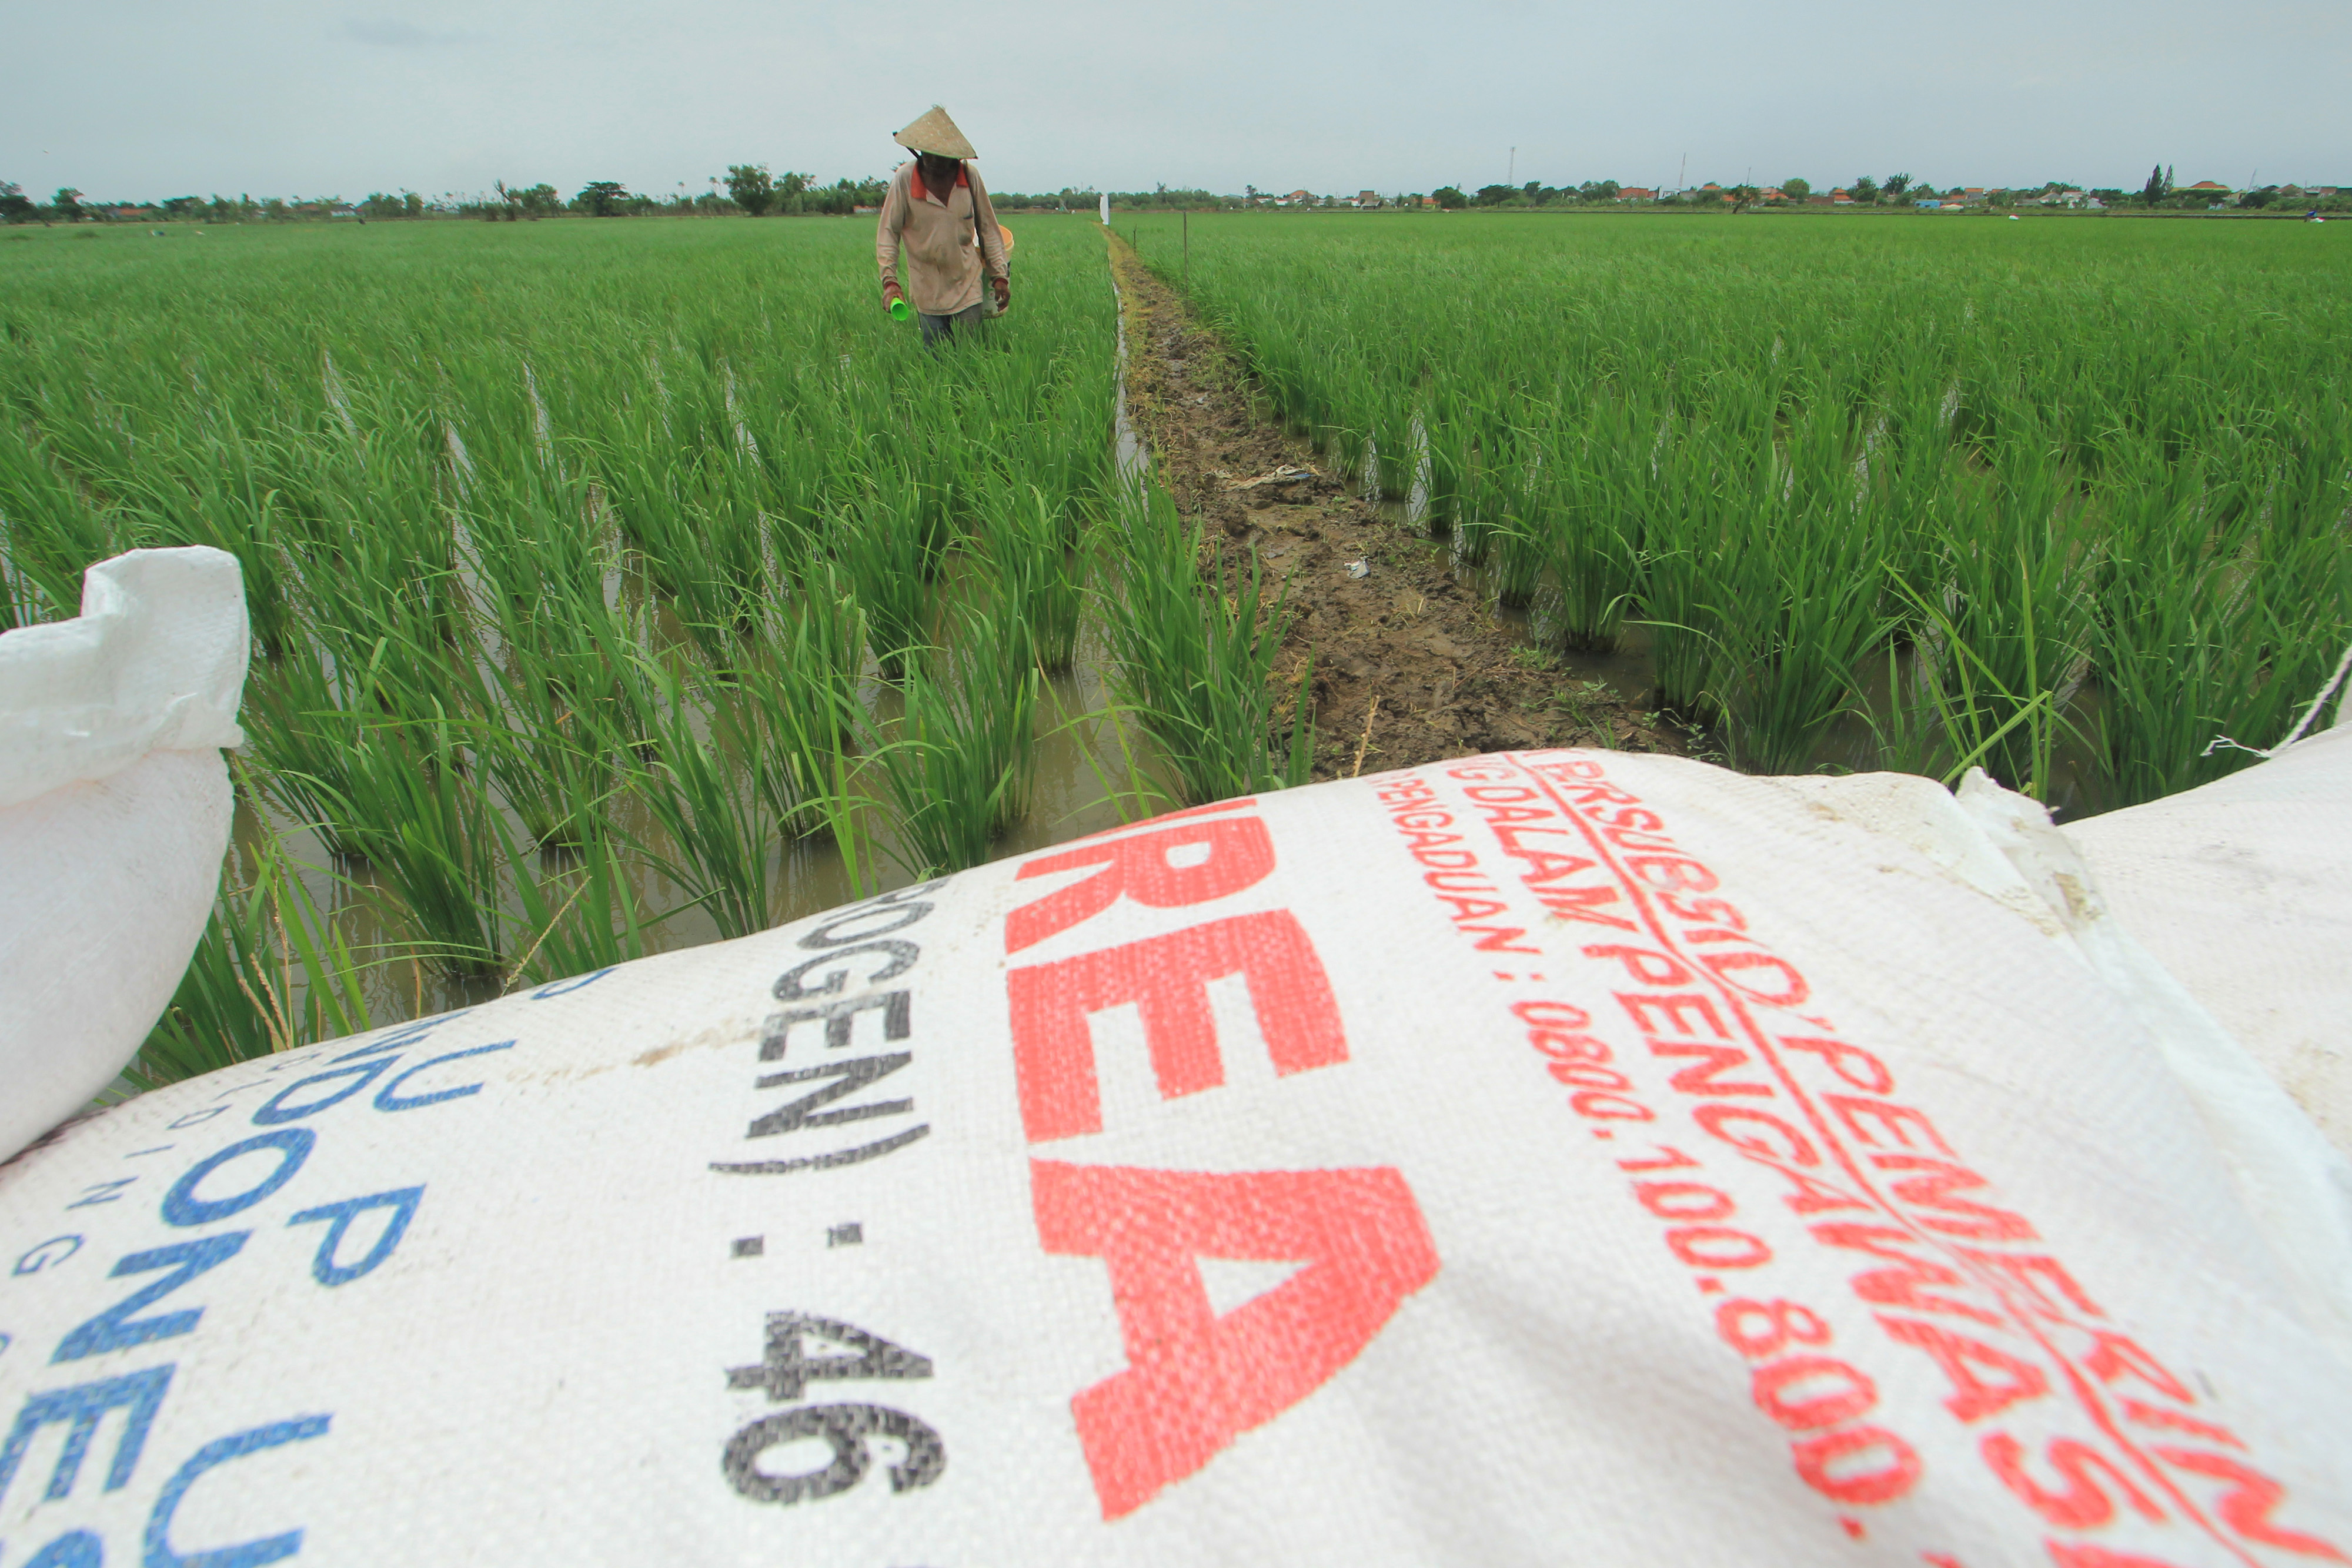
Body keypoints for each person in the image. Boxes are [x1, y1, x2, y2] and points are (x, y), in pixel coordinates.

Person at [875, 105, 1010, 347]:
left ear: (955, 157)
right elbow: (888, 233)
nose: (935, 161)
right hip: (927, 290)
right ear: (919, 152)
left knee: (971, 357)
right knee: (936, 359)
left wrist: (1000, 276)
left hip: (968, 287)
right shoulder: (904, 179)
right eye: (929, 154)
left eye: (942, 155)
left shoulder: (969, 177)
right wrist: (890, 283)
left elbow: (988, 228)